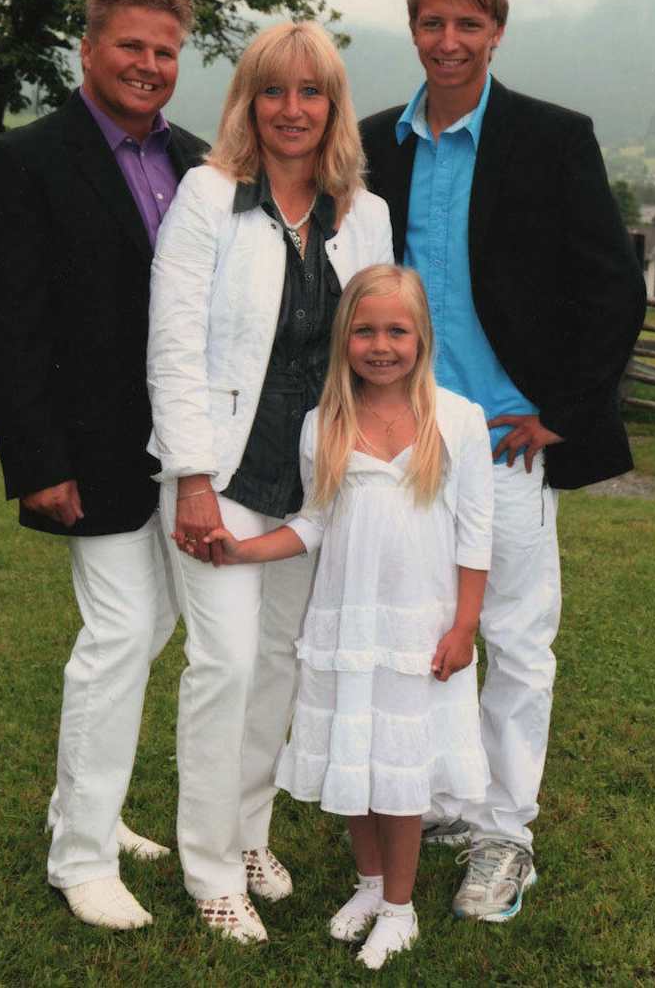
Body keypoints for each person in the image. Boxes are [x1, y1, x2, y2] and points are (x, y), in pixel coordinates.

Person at [359, 0, 647, 920]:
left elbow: (611, 287)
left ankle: (505, 834)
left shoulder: (551, 138)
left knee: (516, 639)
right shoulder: (375, 144)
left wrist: (560, 411)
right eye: (431, 23)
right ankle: (446, 802)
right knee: (417, 633)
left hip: (503, 443)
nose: (448, 41)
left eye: (467, 24)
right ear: (413, 29)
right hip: (400, 444)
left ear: (496, 31)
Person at [0, 0, 207, 930]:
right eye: (131, 46)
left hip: (184, 448)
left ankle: (85, 811)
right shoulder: (25, 161)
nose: (149, 64)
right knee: (119, 634)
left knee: (151, 629)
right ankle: (80, 860)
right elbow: (5, 323)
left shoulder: (197, 162)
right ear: (89, 48)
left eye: (165, 51)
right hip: (87, 450)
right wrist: (37, 462)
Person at [147, 21, 393, 943]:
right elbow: (173, 345)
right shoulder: (208, 195)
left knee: (281, 663)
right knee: (226, 664)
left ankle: (247, 832)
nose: (292, 109)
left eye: (311, 91)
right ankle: (209, 869)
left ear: (333, 106)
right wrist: (191, 478)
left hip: (312, 480)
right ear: (247, 102)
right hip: (218, 471)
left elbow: (374, 348)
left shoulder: (363, 213)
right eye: (273, 90)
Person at [203, 265, 494, 969]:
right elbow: (313, 523)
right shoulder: (323, 423)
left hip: (419, 630)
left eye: (396, 330)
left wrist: (464, 626)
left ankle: (400, 908)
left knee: (398, 773)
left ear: (421, 338)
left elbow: (476, 534)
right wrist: (244, 549)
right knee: (354, 760)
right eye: (364, 331)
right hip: (346, 625)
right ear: (344, 339)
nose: (380, 346)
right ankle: (368, 885)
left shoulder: (458, 420)